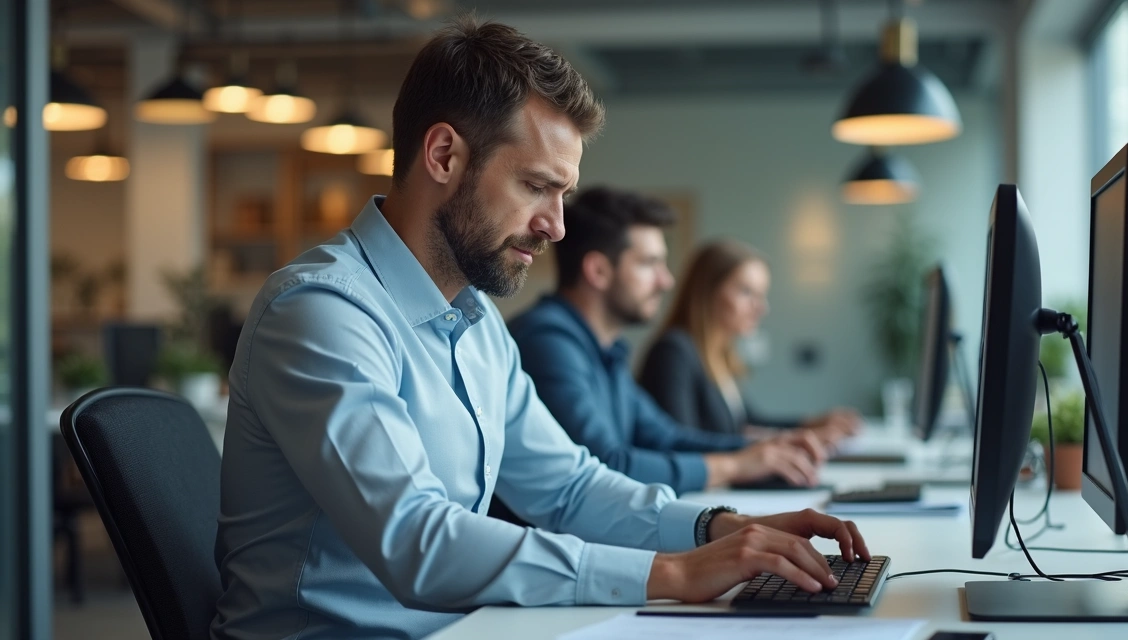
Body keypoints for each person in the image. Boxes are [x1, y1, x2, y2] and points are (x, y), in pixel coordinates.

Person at [212, 18, 869, 640]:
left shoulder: (476, 325)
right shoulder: (321, 312)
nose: (555, 226)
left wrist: (719, 528)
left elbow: (569, 487)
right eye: (536, 187)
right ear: (443, 155)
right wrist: (671, 574)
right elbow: (416, 541)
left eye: (564, 196)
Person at [508, 187, 831, 497]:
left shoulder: (605, 351)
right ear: (599, 271)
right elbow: (605, 465)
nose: (667, 280)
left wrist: (767, 450)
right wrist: (734, 466)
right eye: (650, 263)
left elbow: (665, 437)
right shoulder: (548, 342)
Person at [639, 240, 862, 445]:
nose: (761, 308)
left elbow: (748, 421)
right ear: (706, 292)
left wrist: (810, 425)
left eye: (762, 295)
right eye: (746, 292)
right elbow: (682, 442)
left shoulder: (719, 355)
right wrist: (777, 444)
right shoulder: (674, 352)